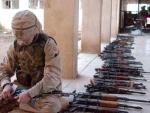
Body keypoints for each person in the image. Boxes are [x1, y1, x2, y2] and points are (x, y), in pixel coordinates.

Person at [0, 10, 68, 113]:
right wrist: (6, 85)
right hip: (21, 87)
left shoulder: (48, 45)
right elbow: (4, 69)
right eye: (19, 39)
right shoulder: (15, 46)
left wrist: (29, 94)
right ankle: (23, 105)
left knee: (51, 107)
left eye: (25, 39)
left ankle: (20, 105)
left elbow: (52, 78)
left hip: (44, 91)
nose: (22, 42)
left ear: (35, 30)